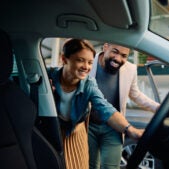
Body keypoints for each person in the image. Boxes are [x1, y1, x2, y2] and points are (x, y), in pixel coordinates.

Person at [48, 39, 144, 169]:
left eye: (90, 62)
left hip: (75, 134)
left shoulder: (89, 84)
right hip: (52, 133)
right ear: (64, 59)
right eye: (80, 60)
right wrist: (41, 89)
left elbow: (106, 108)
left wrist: (130, 130)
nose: (86, 67)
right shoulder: (48, 75)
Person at [88, 43, 160, 169]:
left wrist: (158, 107)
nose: (118, 58)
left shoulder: (131, 69)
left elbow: (135, 94)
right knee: (89, 166)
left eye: (124, 55)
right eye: (114, 52)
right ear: (105, 47)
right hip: (88, 126)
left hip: (114, 128)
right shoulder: (88, 61)